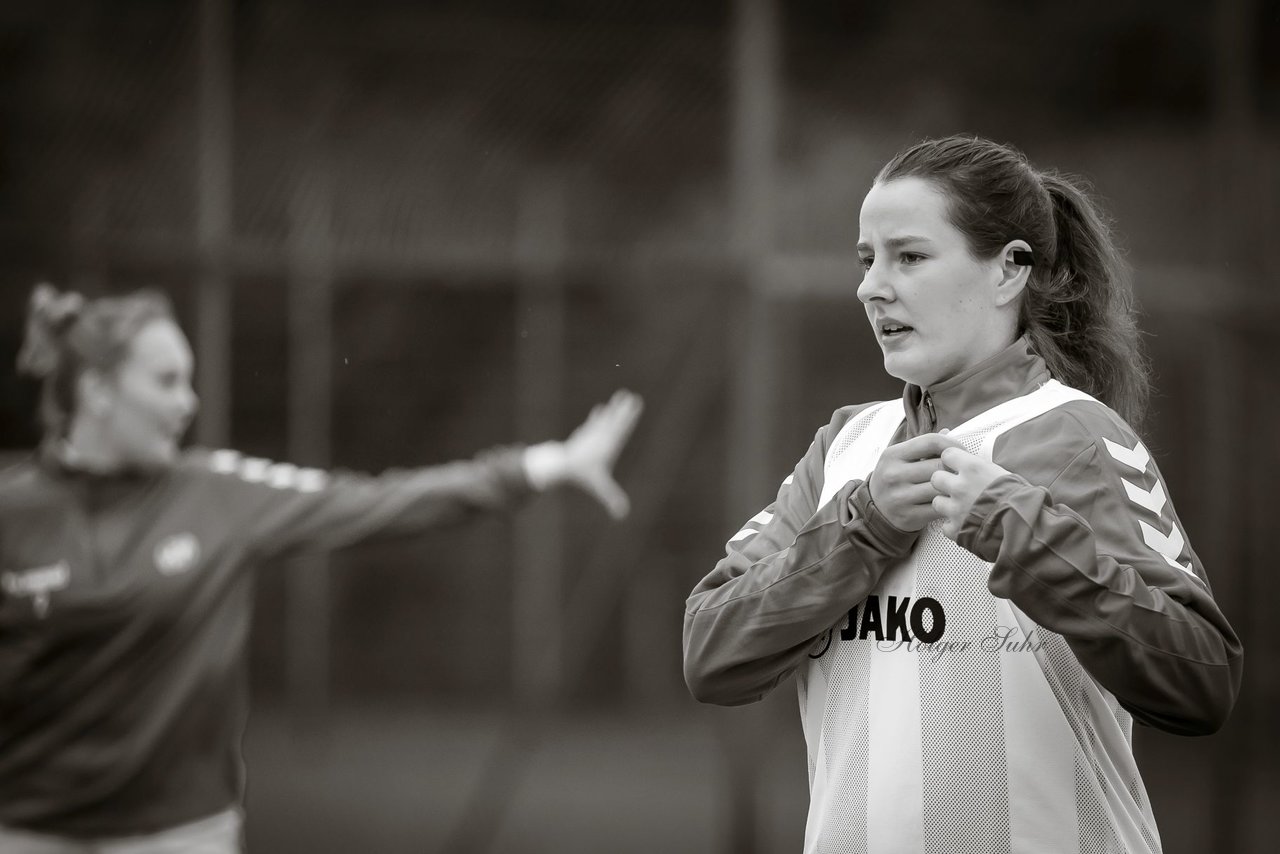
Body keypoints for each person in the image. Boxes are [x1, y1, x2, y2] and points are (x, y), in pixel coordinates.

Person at [683, 135, 1242, 854]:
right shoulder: (847, 446)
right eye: (866, 260)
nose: (872, 286)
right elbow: (711, 652)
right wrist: (863, 526)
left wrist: (1022, 530)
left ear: (1010, 270)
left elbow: (1202, 679)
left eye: (909, 257)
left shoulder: (1075, 435)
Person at [0, 284, 643, 853]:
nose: (186, 403)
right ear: (97, 391)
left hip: (178, 833)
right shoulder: (12, 511)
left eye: (189, 381)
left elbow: (377, 501)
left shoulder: (220, 494)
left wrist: (539, 466)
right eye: (166, 382)